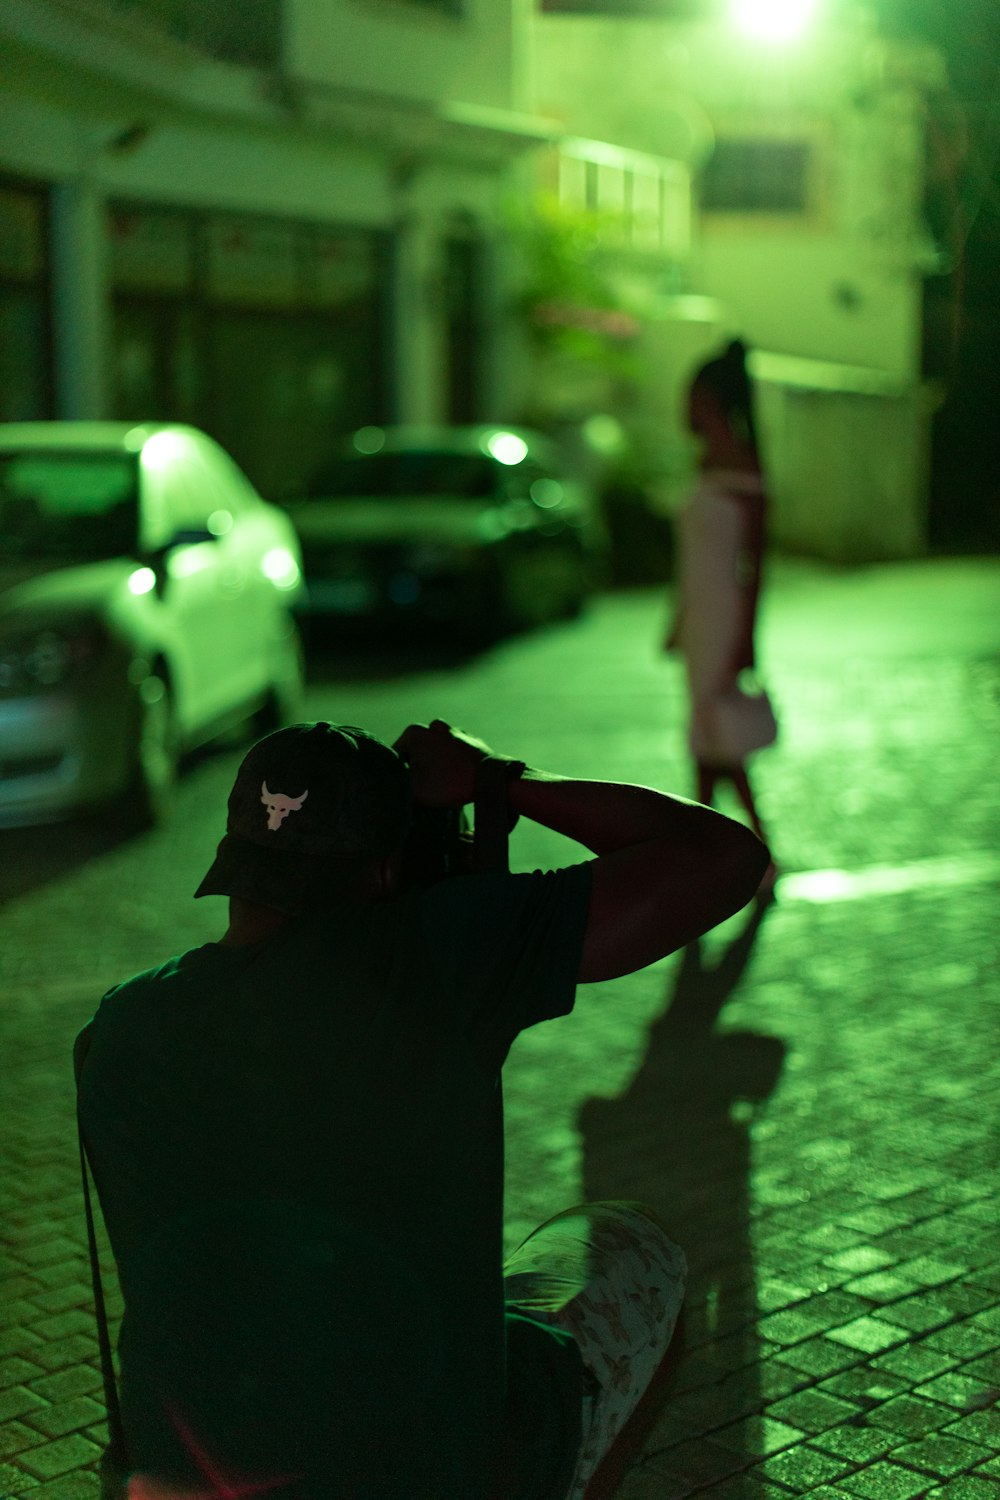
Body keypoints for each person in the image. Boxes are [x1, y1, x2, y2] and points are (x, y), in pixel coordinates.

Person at [75, 717, 768, 1500]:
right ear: (384, 872)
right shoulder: (436, 956)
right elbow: (725, 858)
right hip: (421, 1472)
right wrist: (496, 781)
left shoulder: (116, 1030)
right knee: (631, 1245)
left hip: (180, 1474)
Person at [664, 338, 778, 894]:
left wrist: (746, 640)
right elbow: (691, 558)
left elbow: (754, 565)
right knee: (709, 744)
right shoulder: (706, 464)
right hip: (699, 623)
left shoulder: (743, 465)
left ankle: (746, 853)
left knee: (719, 742)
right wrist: (677, 619)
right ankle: (715, 854)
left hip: (725, 622)